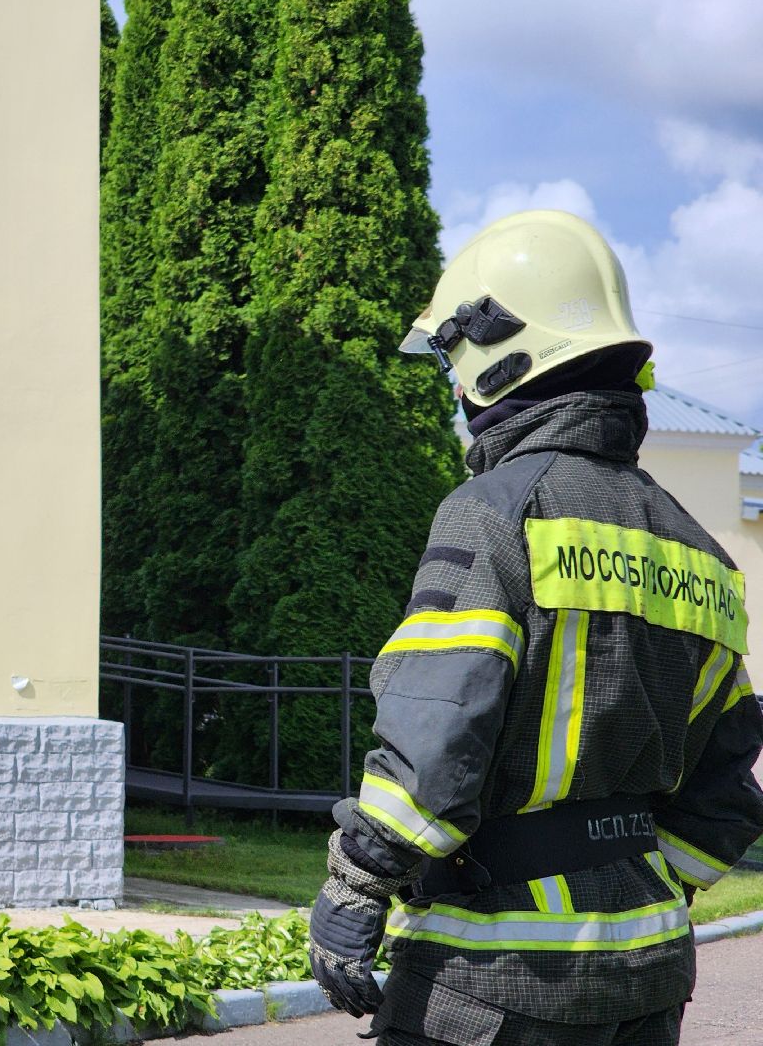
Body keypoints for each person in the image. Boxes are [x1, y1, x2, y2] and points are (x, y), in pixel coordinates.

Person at [308, 209, 763, 1045]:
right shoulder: (700, 553)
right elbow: (727, 788)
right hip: (651, 976)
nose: (454, 389)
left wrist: (356, 882)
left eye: (452, 361)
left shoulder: (495, 513)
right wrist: (629, 879)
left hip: (489, 977)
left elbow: (438, 732)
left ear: (498, 353)